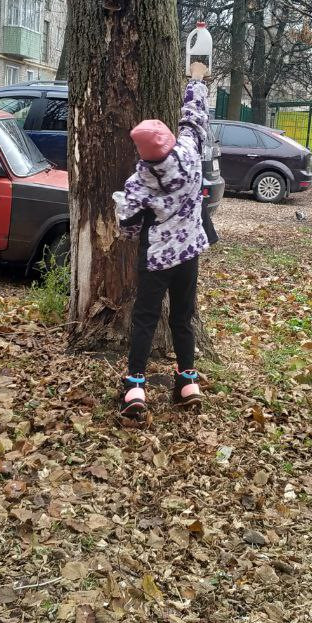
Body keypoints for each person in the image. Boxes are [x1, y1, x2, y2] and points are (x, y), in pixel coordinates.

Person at [114, 63, 211, 423]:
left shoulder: (139, 182)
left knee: (145, 318)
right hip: (189, 254)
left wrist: (128, 220)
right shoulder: (189, 152)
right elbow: (194, 117)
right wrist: (196, 80)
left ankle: (136, 387)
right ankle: (187, 381)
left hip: (156, 259)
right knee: (183, 317)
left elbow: (127, 227)